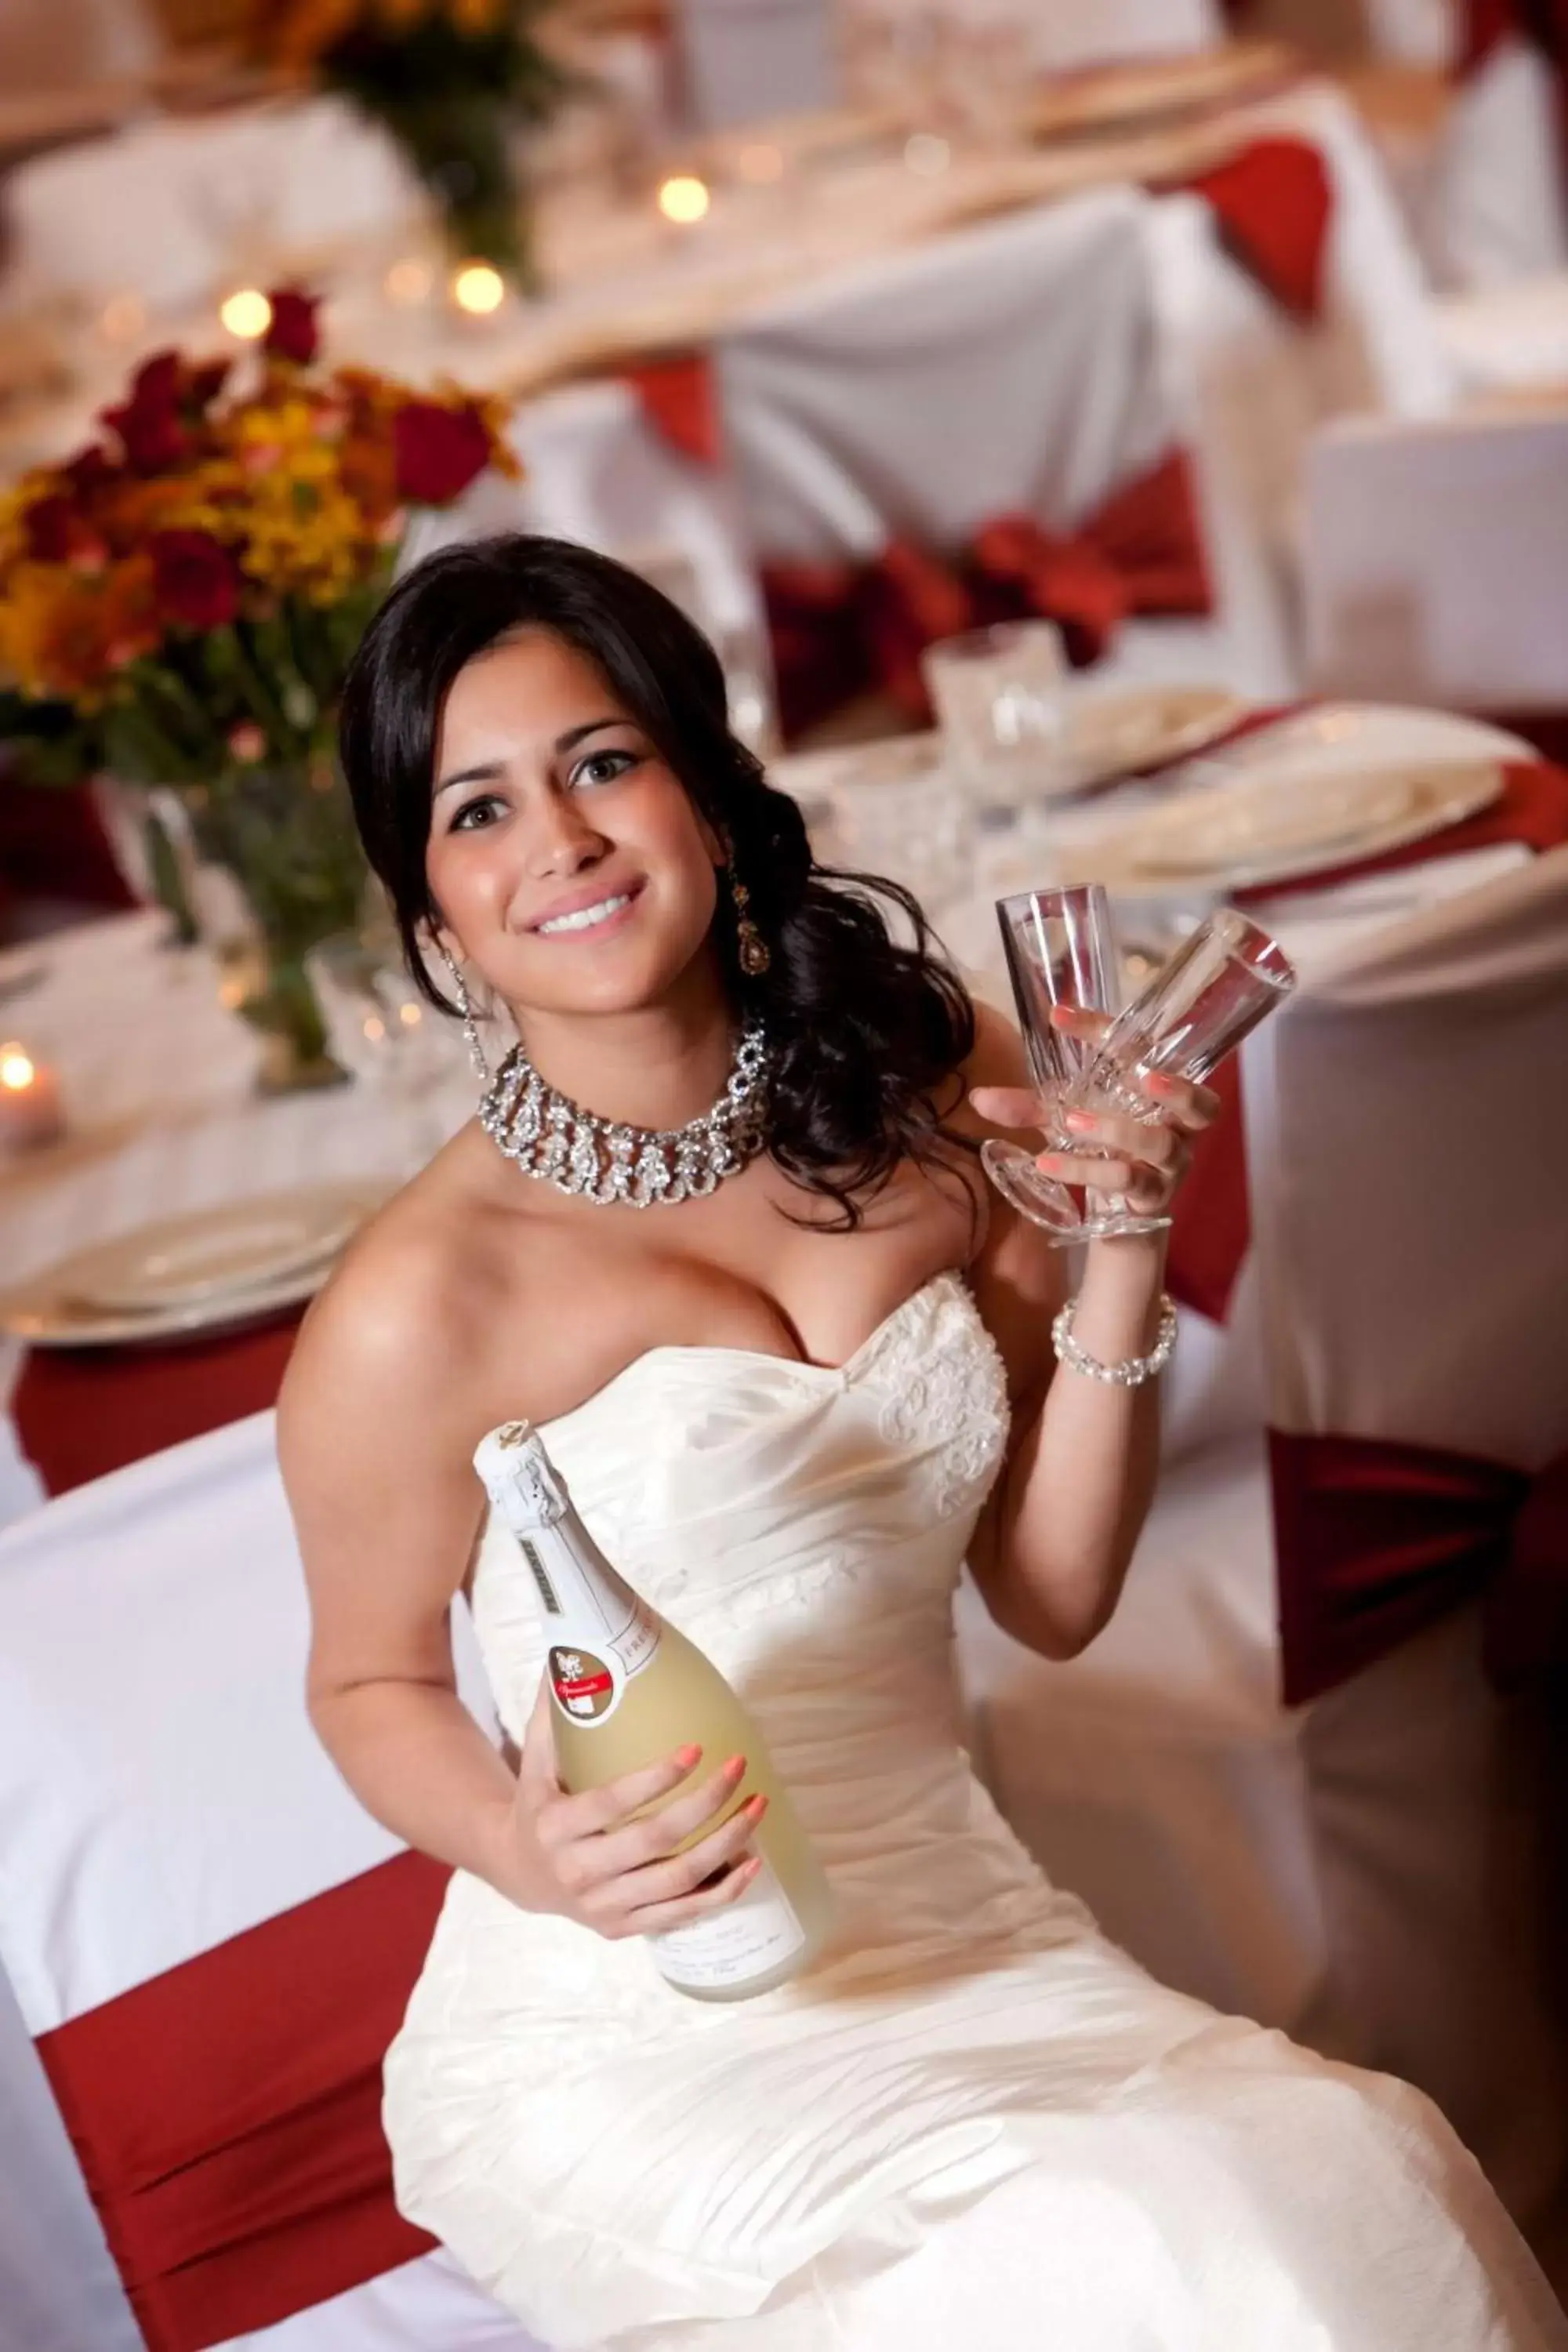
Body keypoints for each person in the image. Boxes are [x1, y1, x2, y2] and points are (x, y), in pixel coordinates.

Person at [281, 535, 1566, 2351]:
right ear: (431, 917)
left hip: (968, 1935)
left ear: (707, 796)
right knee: (1155, 2259)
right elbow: (361, 1681)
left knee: (1342, 2166)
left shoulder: (923, 1084)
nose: (555, 841)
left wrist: (1120, 1260)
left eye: (597, 763)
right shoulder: (422, 1303)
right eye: (475, 811)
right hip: (652, 2019)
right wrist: (520, 1838)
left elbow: (1046, 1599)